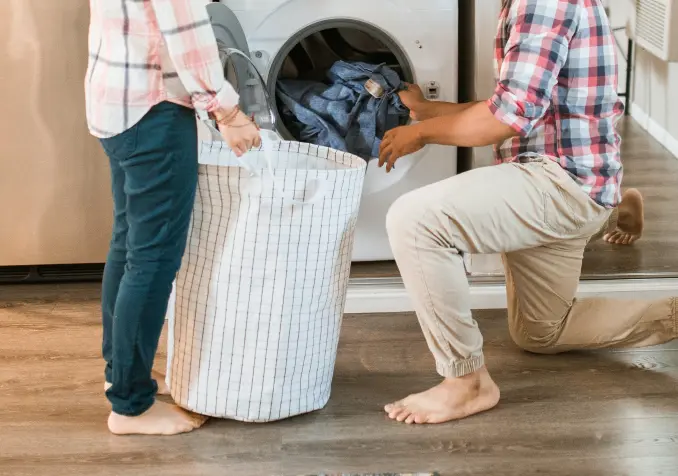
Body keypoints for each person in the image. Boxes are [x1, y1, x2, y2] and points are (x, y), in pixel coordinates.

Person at [377, 0, 669, 425]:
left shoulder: (543, 2)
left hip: (558, 182)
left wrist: (422, 133)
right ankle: (615, 205)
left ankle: (467, 383)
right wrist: (426, 112)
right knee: (540, 334)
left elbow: (508, 118)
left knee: (416, 220)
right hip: (577, 179)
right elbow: (515, 104)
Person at [85, 0, 261, 436]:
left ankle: (120, 373)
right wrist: (229, 112)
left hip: (115, 100)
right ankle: (130, 406)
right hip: (154, 108)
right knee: (152, 260)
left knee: (129, 246)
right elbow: (185, 30)